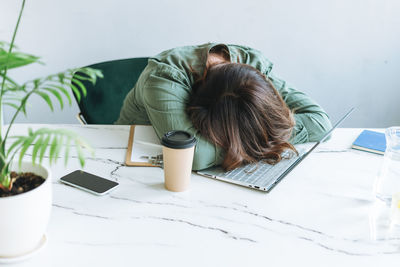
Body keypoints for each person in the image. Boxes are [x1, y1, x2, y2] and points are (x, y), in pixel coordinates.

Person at [115, 43, 332, 171]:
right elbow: (194, 156)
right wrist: (265, 141)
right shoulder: (163, 79)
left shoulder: (253, 66)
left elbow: (320, 123)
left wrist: (252, 140)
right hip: (132, 162)